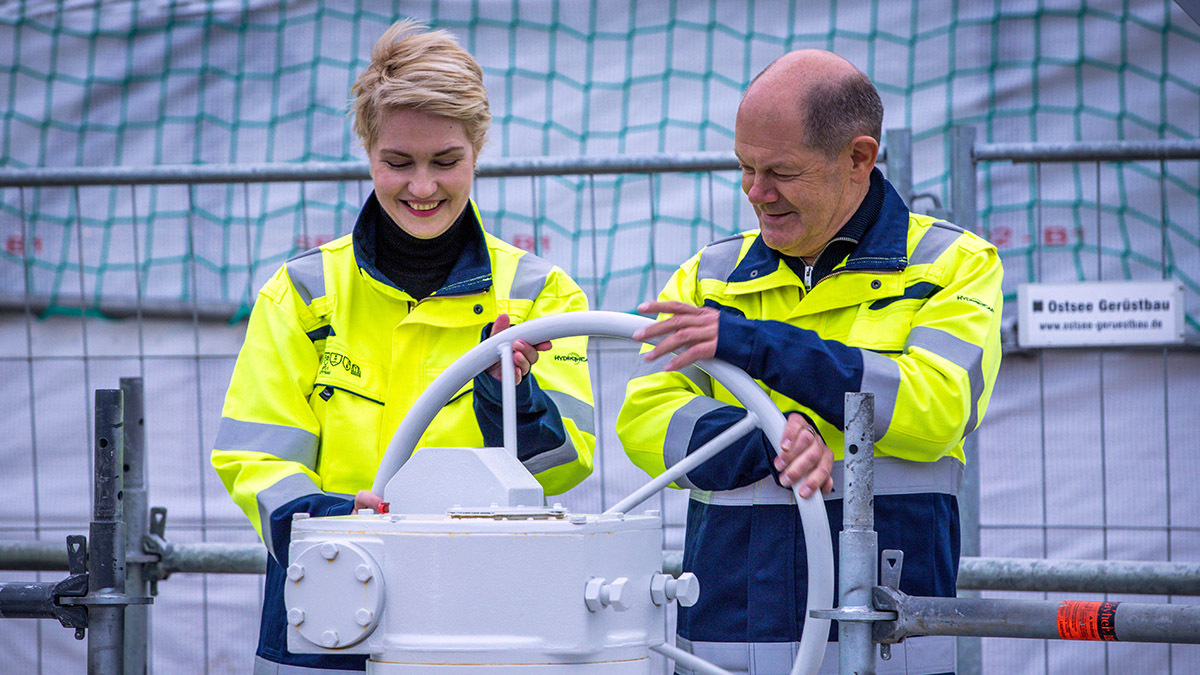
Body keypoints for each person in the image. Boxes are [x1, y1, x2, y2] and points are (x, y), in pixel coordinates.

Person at [211, 20, 596, 674]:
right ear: (367, 149)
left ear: (479, 147)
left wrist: (510, 393)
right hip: (324, 603)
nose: (422, 187)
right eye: (399, 162)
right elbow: (254, 458)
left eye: (446, 161)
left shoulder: (542, 295)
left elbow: (567, 463)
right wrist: (335, 519)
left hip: (483, 608)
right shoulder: (301, 292)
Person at [617, 49, 1003, 675]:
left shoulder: (956, 265)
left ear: (858, 158)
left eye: (780, 172)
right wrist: (766, 438)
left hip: (886, 640)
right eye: (744, 168)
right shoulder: (707, 276)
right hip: (726, 639)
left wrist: (753, 345)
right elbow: (644, 419)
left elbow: (937, 410)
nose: (755, 193)